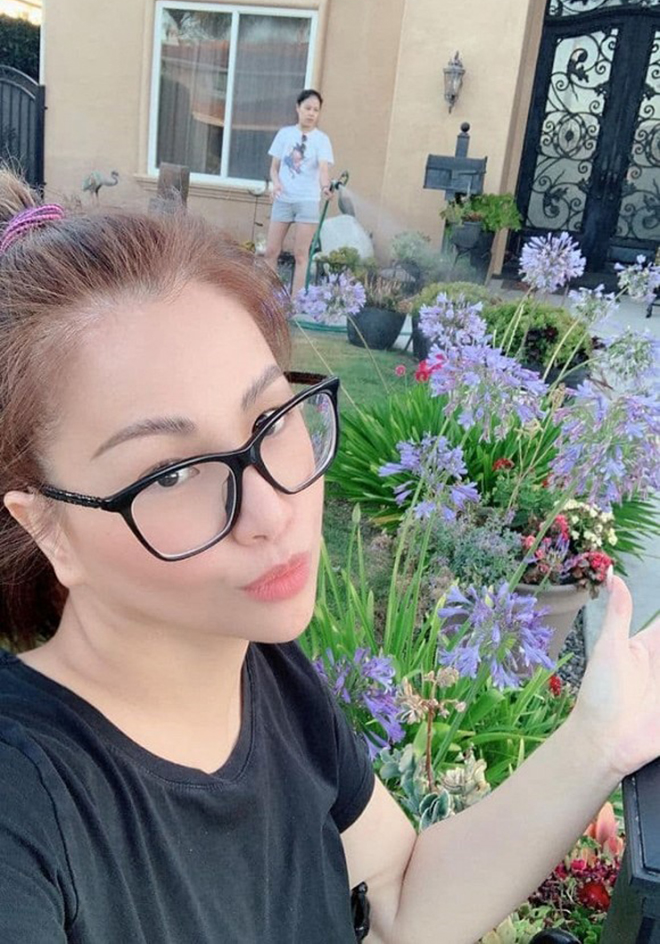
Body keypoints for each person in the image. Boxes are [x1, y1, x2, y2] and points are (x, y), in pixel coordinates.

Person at [0, 169, 659, 944]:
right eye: (172, 473)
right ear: (48, 527)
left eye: (270, 417)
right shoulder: (25, 815)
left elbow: (402, 901)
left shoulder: (266, 672)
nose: (272, 512)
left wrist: (599, 739)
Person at [264, 89, 334, 298]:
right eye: (307, 108)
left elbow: (323, 169)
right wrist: (276, 184)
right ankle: (268, 297)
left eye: (316, 110)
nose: (311, 113)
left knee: (301, 255)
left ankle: (296, 302)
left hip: (307, 201)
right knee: (271, 251)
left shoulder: (322, 140)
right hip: (283, 199)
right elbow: (274, 168)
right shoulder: (285, 134)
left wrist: (325, 187)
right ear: (298, 108)